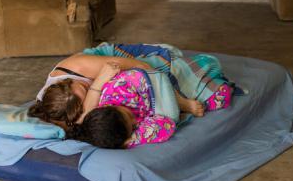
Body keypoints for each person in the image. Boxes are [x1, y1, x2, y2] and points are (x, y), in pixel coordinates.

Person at [29, 51, 232, 148]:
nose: (89, 88)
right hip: (123, 88)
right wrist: (98, 86)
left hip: (124, 58)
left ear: (67, 82)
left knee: (172, 70)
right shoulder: (58, 110)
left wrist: (179, 100)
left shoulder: (77, 67)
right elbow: (85, 124)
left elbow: (144, 68)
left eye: (84, 86)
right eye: (85, 103)